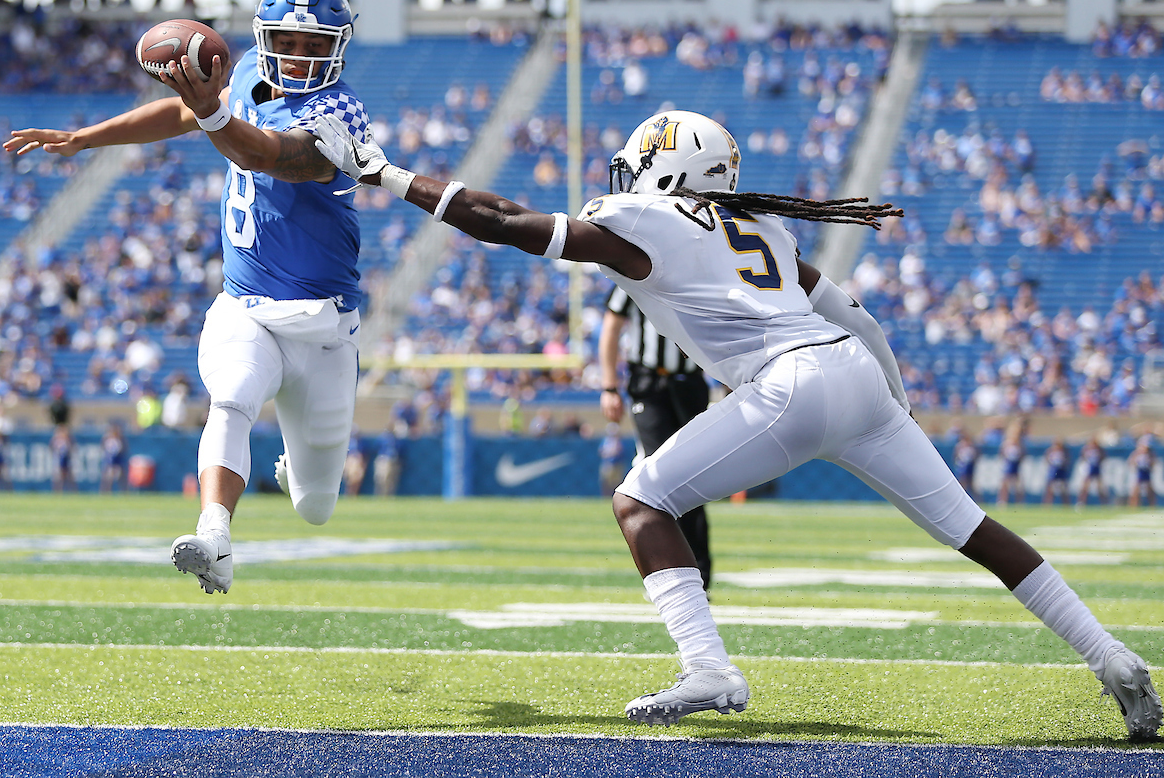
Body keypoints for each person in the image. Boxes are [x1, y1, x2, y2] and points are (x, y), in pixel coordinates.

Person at [313, 108, 1161, 740]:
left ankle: (708, 667)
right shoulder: (762, 225)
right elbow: (858, 312)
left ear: (664, 169)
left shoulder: (642, 218)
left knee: (642, 500)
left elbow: (500, 222)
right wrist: (894, 397)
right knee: (974, 529)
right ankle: (1113, 659)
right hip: (853, 372)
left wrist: (388, 174)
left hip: (786, 384)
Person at [5, 0, 368, 595]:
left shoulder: (342, 113)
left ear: (338, 44)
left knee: (316, 505)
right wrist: (85, 138)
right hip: (246, 305)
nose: (300, 55)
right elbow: (181, 113)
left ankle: (293, 466)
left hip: (323, 328)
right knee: (229, 399)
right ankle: (215, 537)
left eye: (314, 43)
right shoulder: (251, 69)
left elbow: (264, 154)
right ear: (264, 36)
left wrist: (212, 110)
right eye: (288, 39)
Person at [600, 288, 714, 591]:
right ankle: (667, 573)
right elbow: (611, 326)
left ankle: (698, 576)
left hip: (689, 384)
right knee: (661, 474)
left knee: (690, 480)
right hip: (649, 384)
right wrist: (609, 386)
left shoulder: (696, 275)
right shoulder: (630, 276)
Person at [1077, 435, 1108, 507]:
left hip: (1096, 467)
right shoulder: (1086, 449)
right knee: (1085, 487)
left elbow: (1103, 457)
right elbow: (1082, 457)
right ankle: (1081, 502)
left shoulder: (1099, 449)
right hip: (1089, 468)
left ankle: (1104, 503)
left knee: (1099, 487)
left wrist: (1098, 461)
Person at [1127, 435, 1157, 508]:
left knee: (1149, 490)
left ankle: (1152, 505)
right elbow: (1130, 462)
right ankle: (1133, 505)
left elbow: (1154, 462)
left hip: (1146, 472)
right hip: (1139, 473)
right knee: (1136, 491)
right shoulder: (1136, 453)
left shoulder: (1150, 454)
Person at [1041, 437, 1071, 507]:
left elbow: (1067, 460)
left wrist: (1062, 463)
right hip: (1053, 470)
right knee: (1050, 488)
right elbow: (1047, 459)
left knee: (1063, 488)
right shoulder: (1051, 450)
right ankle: (1047, 504)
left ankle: (1066, 504)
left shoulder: (1064, 451)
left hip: (1061, 470)